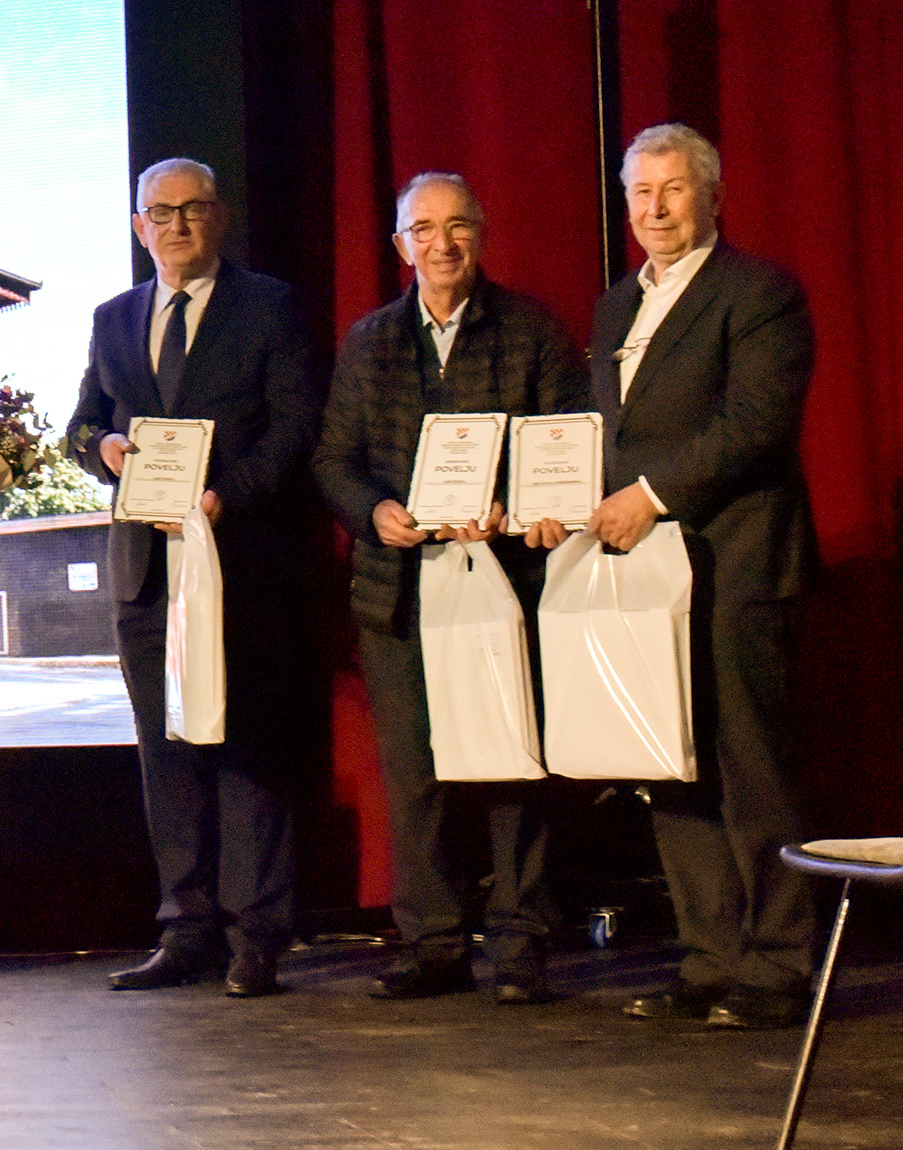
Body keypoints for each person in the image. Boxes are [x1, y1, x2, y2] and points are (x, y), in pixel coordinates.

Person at [527, 124, 817, 1030]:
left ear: (713, 197)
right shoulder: (617, 305)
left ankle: (777, 966)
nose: (655, 210)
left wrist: (648, 496)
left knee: (749, 767)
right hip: (646, 569)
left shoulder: (759, 291)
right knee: (668, 761)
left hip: (736, 562)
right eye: (640, 193)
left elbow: (756, 424)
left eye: (674, 190)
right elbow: (604, 433)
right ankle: (709, 958)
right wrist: (561, 501)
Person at [314, 175, 584, 1005]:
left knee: (515, 765)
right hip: (398, 587)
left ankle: (522, 943)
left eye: (458, 225)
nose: (442, 243)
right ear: (401, 245)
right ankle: (432, 943)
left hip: (509, 578)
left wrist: (519, 508)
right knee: (414, 774)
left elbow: (568, 442)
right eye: (423, 228)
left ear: (481, 234)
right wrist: (375, 512)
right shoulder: (368, 341)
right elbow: (334, 460)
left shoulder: (531, 328)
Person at [66, 158, 319, 998]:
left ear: (220, 217)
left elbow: (295, 427)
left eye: (193, 209)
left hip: (240, 559)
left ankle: (257, 934)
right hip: (145, 570)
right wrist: (102, 448)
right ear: (139, 227)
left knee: (248, 750)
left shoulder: (270, 306)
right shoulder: (114, 317)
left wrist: (225, 496)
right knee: (165, 756)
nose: (176, 225)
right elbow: (82, 424)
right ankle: (186, 929)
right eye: (161, 212)